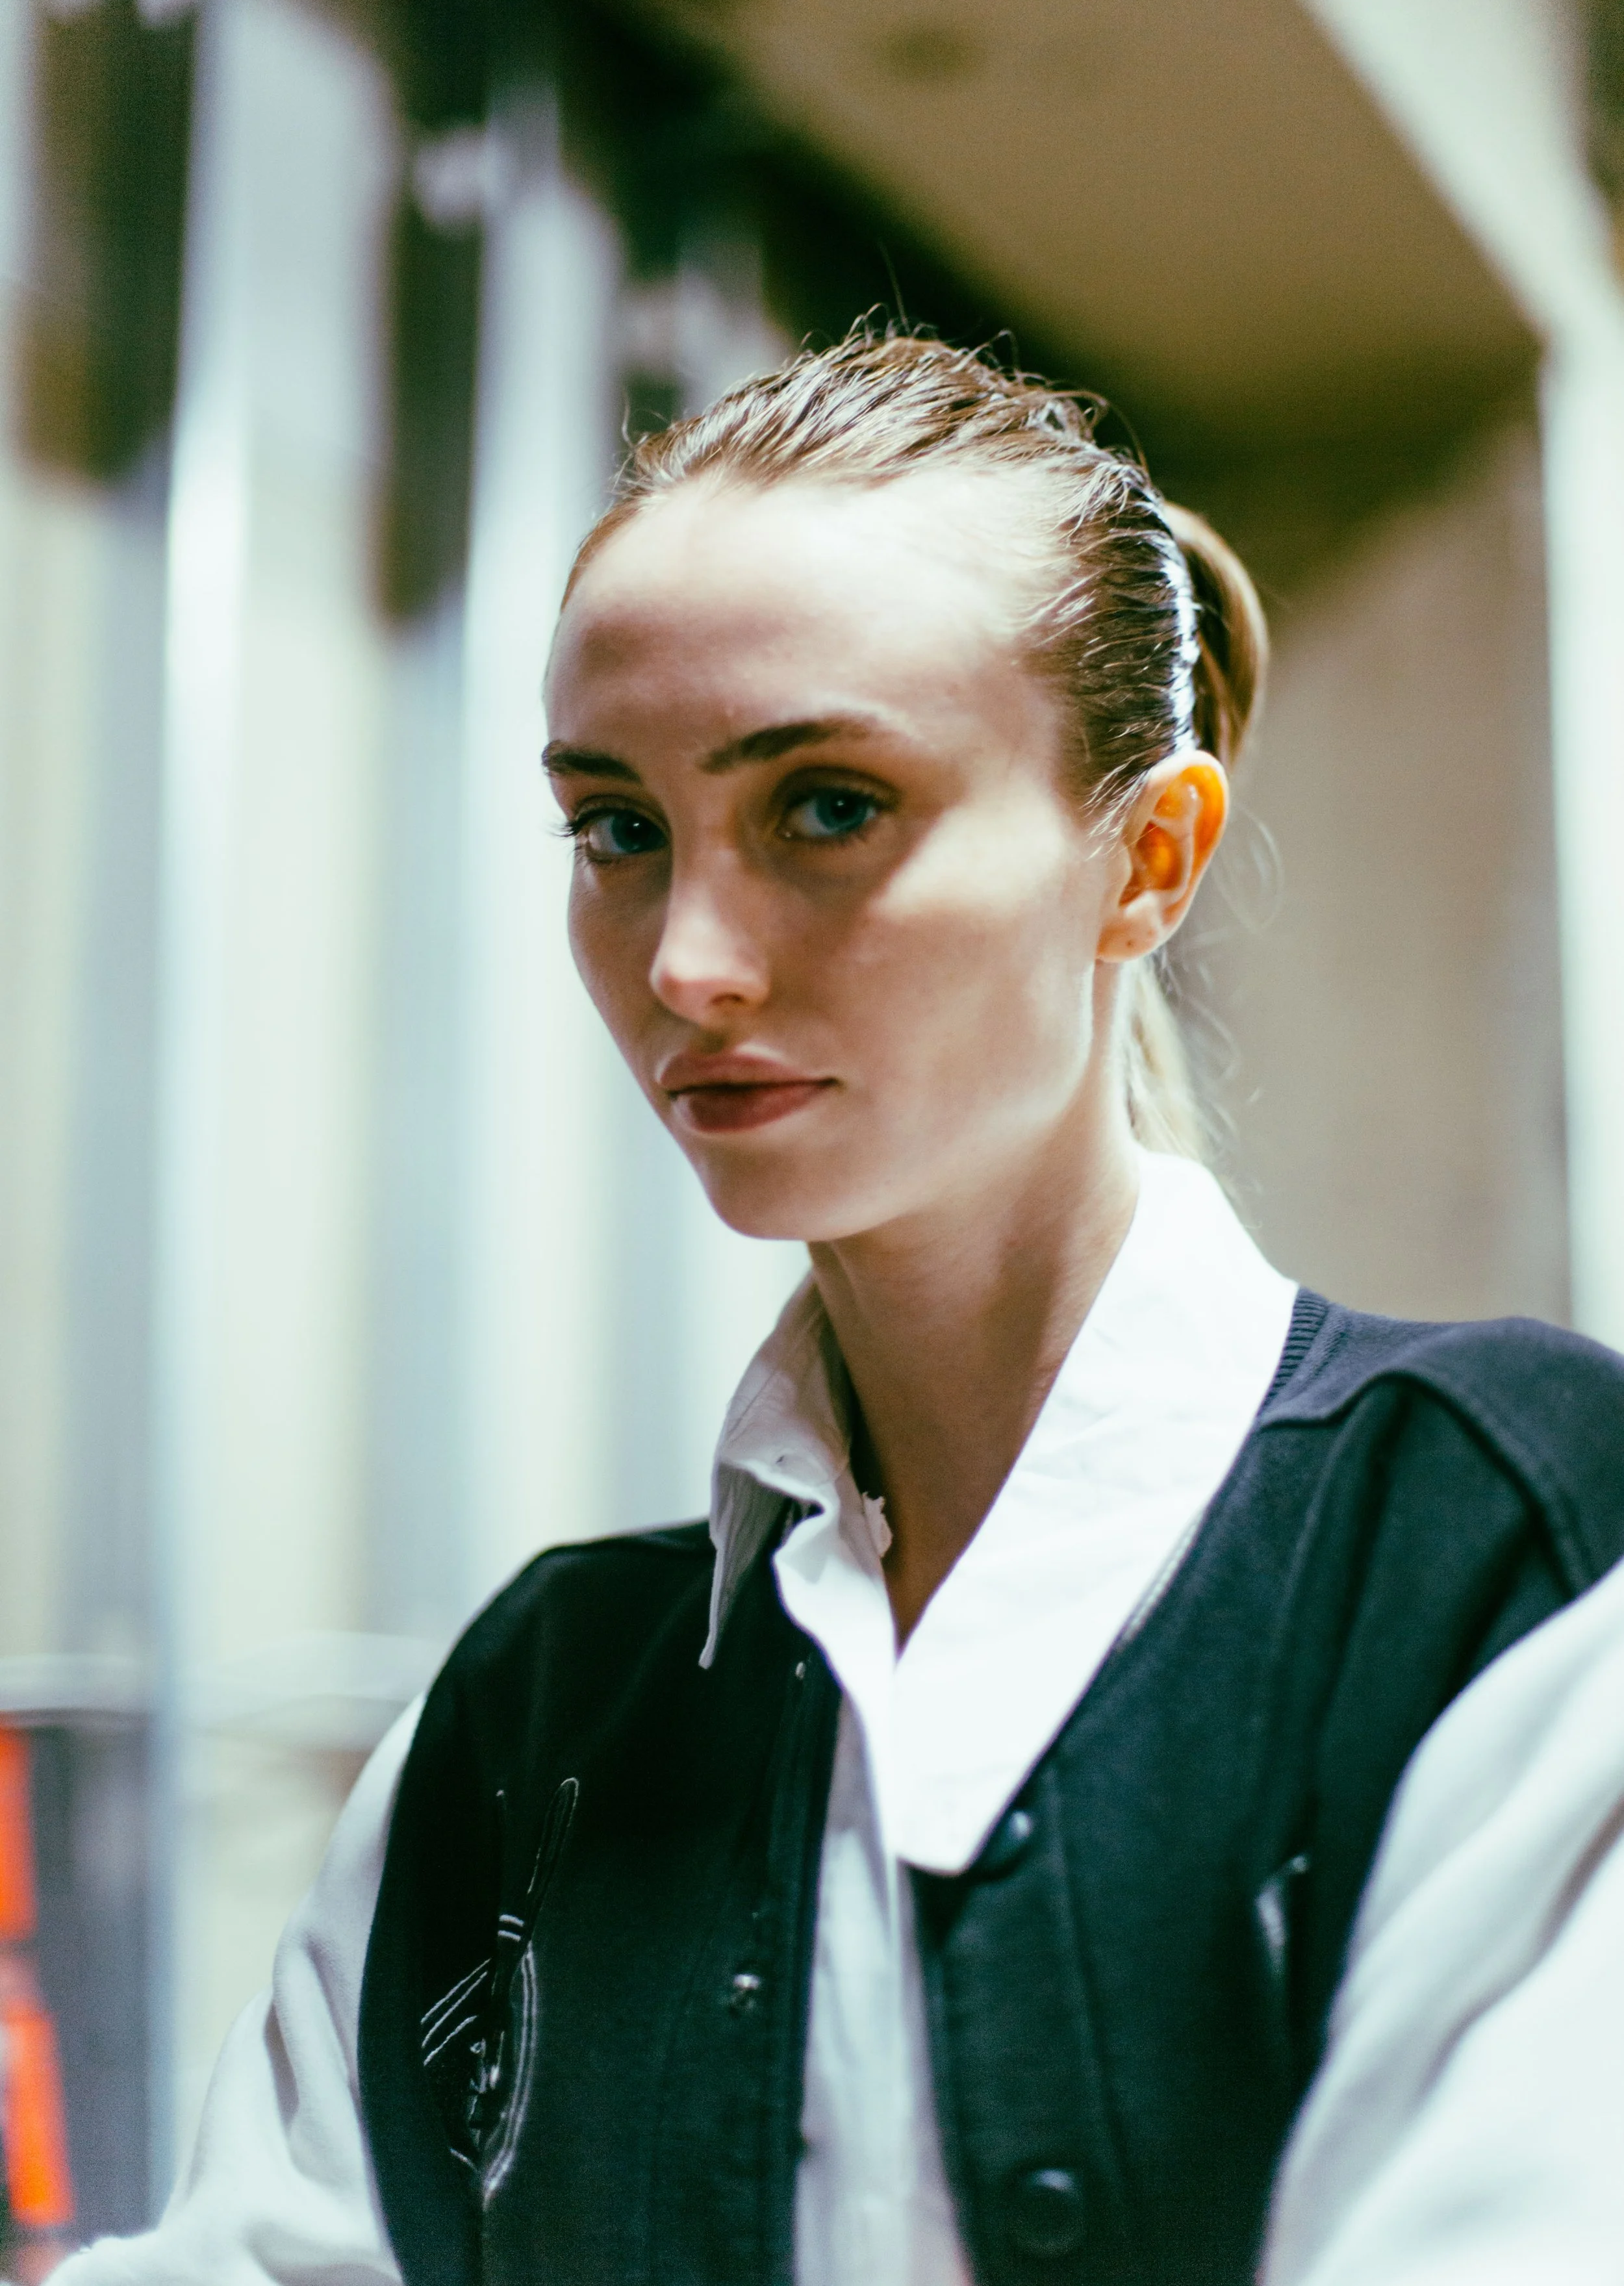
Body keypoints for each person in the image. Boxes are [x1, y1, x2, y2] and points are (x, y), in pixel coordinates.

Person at [57, 330, 1624, 2286]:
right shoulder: (540, 1710)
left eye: (825, 807)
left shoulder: (1489, 1541)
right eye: (617, 827)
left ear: (1144, 856)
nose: (688, 962)